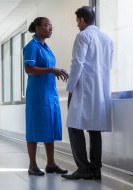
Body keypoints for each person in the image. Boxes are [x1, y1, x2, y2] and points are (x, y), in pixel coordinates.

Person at [61, 6, 114, 180]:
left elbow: (78, 64)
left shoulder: (83, 36)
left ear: (82, 20)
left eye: (77, 21)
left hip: (83, 89)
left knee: (74, 127)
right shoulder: (107, 39)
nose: (77, 24)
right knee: (94, 128)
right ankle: (95, 170)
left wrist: (70, 88)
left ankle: (83, 168)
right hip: (100, 90)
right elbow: (107, 66)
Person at [23, 17, 69, 176]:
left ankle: (51, 163)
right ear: (37, 28)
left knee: (50, 125)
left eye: (51, 25)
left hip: (50, 93)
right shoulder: (31, 46)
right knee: (34, 127)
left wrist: (57, 70)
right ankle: (32, 165)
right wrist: (51, 70)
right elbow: (29, 69)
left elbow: (49, 67)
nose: (50, 28)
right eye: (47, 25)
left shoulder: (47, 48)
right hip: (37, 94)